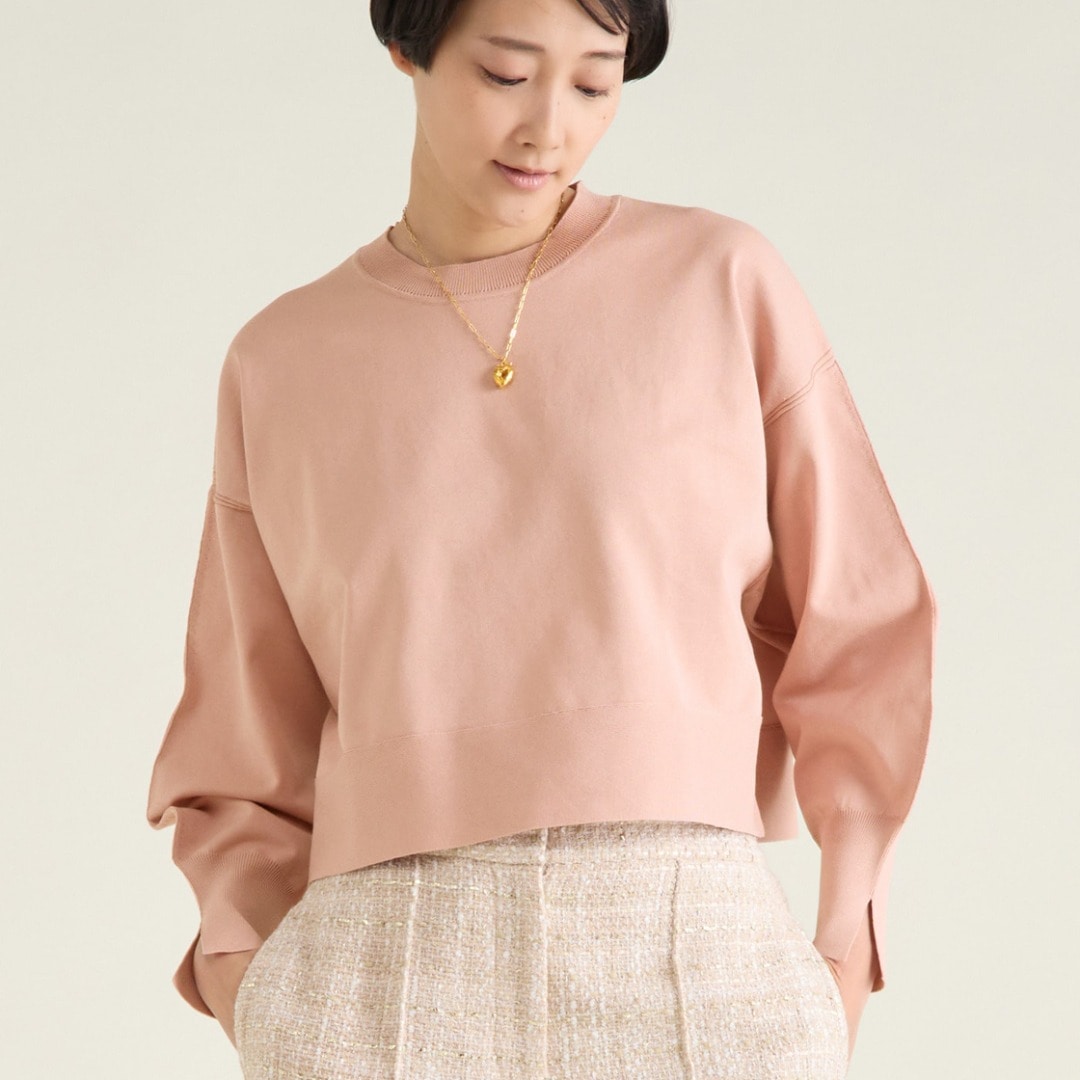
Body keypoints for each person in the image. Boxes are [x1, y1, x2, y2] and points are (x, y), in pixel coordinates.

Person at [146, 0, 937, 1076]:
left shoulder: (720, 282)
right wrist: (253, 982)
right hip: (382, 972)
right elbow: (242, 737)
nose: (549, 129)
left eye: (596, 83)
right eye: (507, 76)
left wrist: (847, 946)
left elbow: (862, 629)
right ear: (406, 45)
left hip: (692, 946)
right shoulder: (282, 359)